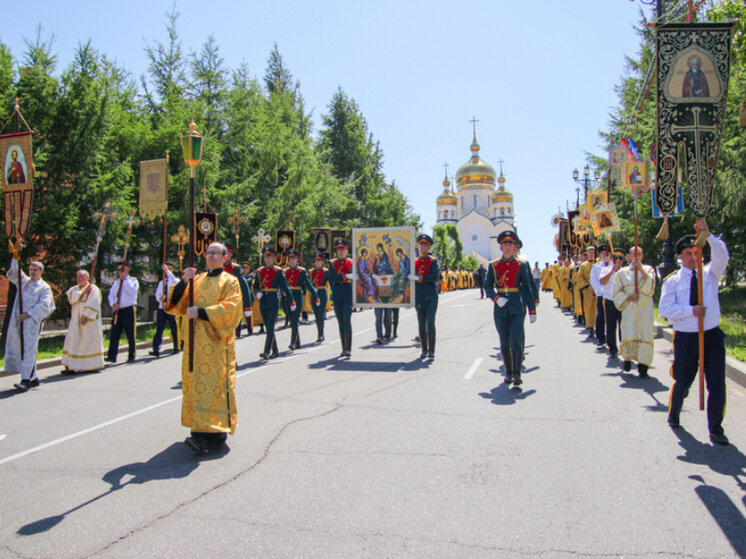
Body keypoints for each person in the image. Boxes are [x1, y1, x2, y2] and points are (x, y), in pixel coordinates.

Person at [165, 242, 242, 455]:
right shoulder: (196, 280)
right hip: (194, 344)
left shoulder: (230, 281)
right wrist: (183, 281)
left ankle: (216, 431)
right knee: (195, 384)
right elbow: (176, 305)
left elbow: (231, 309)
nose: (211, 256)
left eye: (216, 253)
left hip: (216, 344)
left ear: (225, 257)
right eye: (208, 253)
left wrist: (200, 312)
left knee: (215, 385)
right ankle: (199, 431)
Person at [660, 223, 730, 445]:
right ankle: (674, 412)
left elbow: (722, 256)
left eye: (697, 252)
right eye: (688, 253)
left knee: (717, 383)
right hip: (687, 337)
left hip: (711, 336)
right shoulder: (672, 281)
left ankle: (715, 428)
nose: (693, 256)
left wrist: (707, 236)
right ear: (680, 256)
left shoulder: (710, 273)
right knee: (682, 380)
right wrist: (691, 311)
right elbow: (665, 310)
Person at [484, 231, 536, 386]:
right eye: (505, 244)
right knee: (504, 342)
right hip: (500, 308)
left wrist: (532, 310)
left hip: (516, 307)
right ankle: (508, 372)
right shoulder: (494, 265)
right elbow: (487, 286)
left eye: (510, 244)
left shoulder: (521, 265)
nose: (507, 247)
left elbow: (527, 288)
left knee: (516, 341)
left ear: (514, 246)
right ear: (500, 246)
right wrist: (495, 298)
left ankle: (517, 373)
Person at [6, 242, 55, 392]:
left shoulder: (44, 287)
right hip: (18, 322)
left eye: (35, 270)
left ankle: (25, 380)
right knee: (21, 349)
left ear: (41, 271)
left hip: (31, 323)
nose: (32, 271)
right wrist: (16, 256)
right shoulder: (24, 282)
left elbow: (46, 306)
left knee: (29, 350)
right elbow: (15, 272)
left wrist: (28, 314)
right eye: (31, 269)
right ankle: (33, 378)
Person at [612, 246, 656, 378]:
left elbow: (650, 288)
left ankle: (643, 368)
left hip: (644, 309)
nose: (637, 256)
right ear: (629, 256)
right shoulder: (622, 273)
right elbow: (616, 292)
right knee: (629, 333)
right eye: (634, 254)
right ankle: (627, 359)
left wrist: (641, 269)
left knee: (645, 336)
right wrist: (629, 297)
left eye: (640, 254)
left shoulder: (648, 269)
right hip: (629, 310)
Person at [253, 246, 293, 361]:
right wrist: (257, 293)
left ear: (274, 258)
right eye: (265, 256)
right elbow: (255, 286)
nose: (267, 259)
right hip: (263, 300)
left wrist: (291, 301)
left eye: (269, 256)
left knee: (270, 325)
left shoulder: (278, 271)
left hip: (273, 299)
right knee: (268, 326)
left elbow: (285, 287)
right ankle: (275, 350)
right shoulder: (259, 271)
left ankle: (266, 351)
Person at [61, 269, 105, 373]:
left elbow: (94, 302)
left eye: (81, 277)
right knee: (73, 342)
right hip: (75, 320)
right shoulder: (74, 289)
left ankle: (89, 366)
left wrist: (86, 315)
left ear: (87, 278)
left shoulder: (93, 289)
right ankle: (70, 365)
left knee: (87, 343)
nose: (79, 279)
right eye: (78, 277)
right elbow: (72, 300)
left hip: (88, 321)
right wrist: (83, 292)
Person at [283, 248, 318, 350]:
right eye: (290, 258)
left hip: (297, 296)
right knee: (290, 318)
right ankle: (297, 342)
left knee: (294, 319)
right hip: (287, 297)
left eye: (293, 258)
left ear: (297, 260)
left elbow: (308, 283)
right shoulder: (284, 271)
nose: (292, 261)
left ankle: (292, 342)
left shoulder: (302, 271)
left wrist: (315, 295)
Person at [413, 234, 440, 359]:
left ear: (429, 247)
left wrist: (419, 278)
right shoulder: (415, 261)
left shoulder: (433, 261)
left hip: (431, 296)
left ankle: (432, 350)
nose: (422, 247)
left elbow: (435, 276)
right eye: (421, 244)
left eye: (425, 245)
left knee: (430, 322)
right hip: (419, 296)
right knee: (421, 323)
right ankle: (424, 349)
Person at [105, 262, 139, 364]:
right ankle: (111, 356)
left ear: (127, 271)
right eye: (120, 271)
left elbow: (132, 292)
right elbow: (110, 295)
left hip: (128, 309)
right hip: (118, 310)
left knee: (130, 334)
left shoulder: (133, 281)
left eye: (123, 271)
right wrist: (113, 304)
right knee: (115, 333)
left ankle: (131, 355)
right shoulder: (116, 282)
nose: (121, 273)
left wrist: (125, 280)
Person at [328, 239, 356, 358]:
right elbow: (332, 277)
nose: (340, 251)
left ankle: (348, 349)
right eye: (338, 249)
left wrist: (342, 277)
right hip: (337, 294)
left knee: (346, 321)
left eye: (342, 249)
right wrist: (346, 276)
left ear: (346, 250)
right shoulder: (332, 263)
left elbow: (356, 277)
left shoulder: (351, 262)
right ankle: (343, 348)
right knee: (340, 322)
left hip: (348, 295)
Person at [222, 242, 253, 339]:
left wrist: (247, 306)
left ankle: (237, 332)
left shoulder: (235, 268)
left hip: (233, 300)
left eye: (227, 252)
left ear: (230, 254)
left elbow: (244, 287)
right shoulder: (216, 267)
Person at [150, 263, 179, 358]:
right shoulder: (161, 282)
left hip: (171, 308)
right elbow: (157, 294)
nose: (167, 270)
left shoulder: (175, 280)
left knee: (174, 328)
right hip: (162, 308)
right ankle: (156, 349)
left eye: (170, 269)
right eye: (166, 269)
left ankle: (176, 347)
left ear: (172, 270)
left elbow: (175, 281)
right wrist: (160, 298)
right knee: (159, 329)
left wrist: (168, 272)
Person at [600, 249, 624, 357]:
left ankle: (624, 346)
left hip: (622, 301)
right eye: (616, 259)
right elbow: (602, 281)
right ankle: (612, 348)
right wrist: (612, 271)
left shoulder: (625, 271)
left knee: (623, 325)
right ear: (613, 260)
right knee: (610, 325)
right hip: (609, 300)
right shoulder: (606, 269)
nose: (618, 261)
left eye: (621, 259)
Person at [590, 243, 610, 347]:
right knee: (601, 316)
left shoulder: (613, 266)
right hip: (601, 295)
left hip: (611, 296)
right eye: (602, 253)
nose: (604, 255)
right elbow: (593, 281)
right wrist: (601, 290)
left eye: (606, 253)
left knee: (610, 318)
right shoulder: (596, 266)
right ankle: (601, 337)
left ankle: (611, 339)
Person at [576, 246, 597, 339]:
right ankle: (591, 328)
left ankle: (599, 329)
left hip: (598, 291)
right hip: (588, 290)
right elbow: (580, 277)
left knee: (598, 310)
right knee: (589, 309)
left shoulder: (599, 263)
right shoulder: (583, 265)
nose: (591, 254)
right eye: (589, 252)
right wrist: (588, 286)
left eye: (593, 252)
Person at [310, 253, 329, 344]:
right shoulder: (310, 272)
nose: (317, 263)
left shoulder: (326, 271)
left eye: (319, 261)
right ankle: (320, 333)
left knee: (321, 314)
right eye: (316, 261)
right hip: (314, 294)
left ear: (322, 262)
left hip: (322, 293)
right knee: (316, 314)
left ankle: (320, 334)